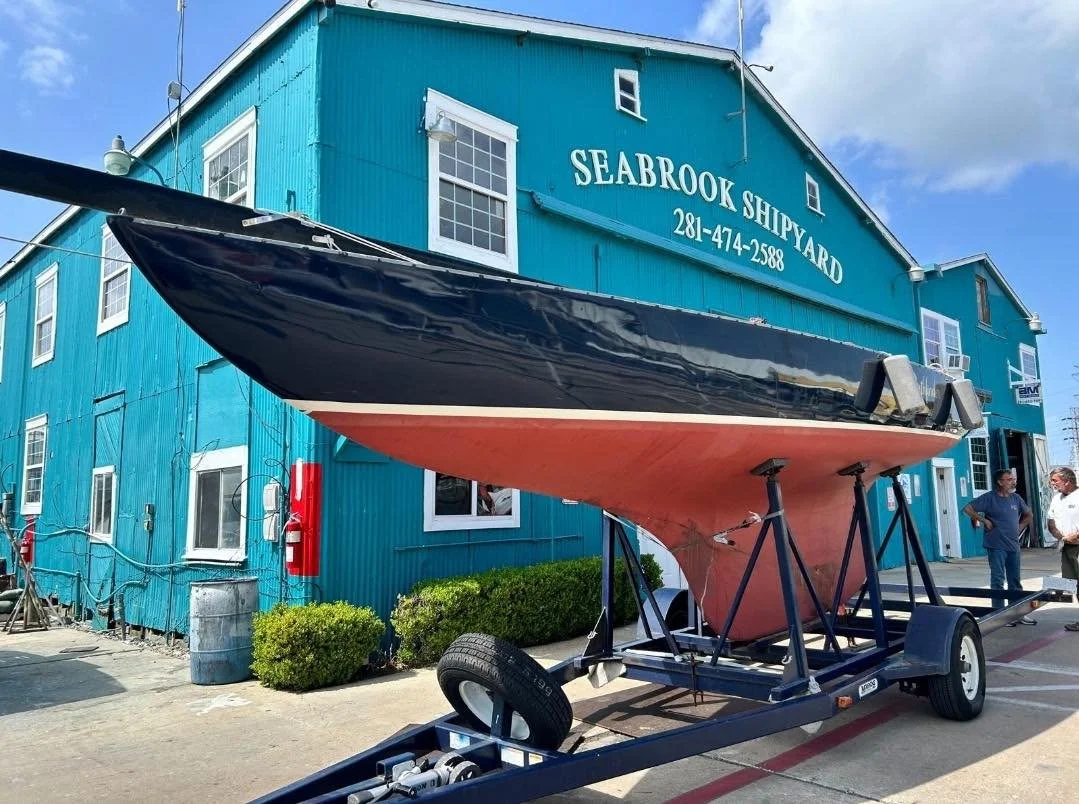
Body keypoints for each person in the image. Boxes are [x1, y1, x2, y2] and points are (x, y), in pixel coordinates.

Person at [962, 469, 1035, 624]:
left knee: (1015, 581)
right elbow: (967, 508)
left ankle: (1017, 614)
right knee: (998, 580)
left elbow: (1029, 515)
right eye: (1009, 479)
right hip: (996, 545)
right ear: (1000, 482)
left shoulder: (1016, 498)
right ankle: (999, 615)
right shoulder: (989, 498)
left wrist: (1020, 527)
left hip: (1013, 545)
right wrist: (983, 520)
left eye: (1013, 479)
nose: (1012, 482)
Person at [1047, 467, 1079, 632]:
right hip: (1066, 547)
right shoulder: (1056, 499)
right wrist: (1062, 537)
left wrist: (1076, 535)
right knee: (1073, 584)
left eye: (1055, 480)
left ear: (1067, 481)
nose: (1052, 483)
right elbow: (1051, 522)